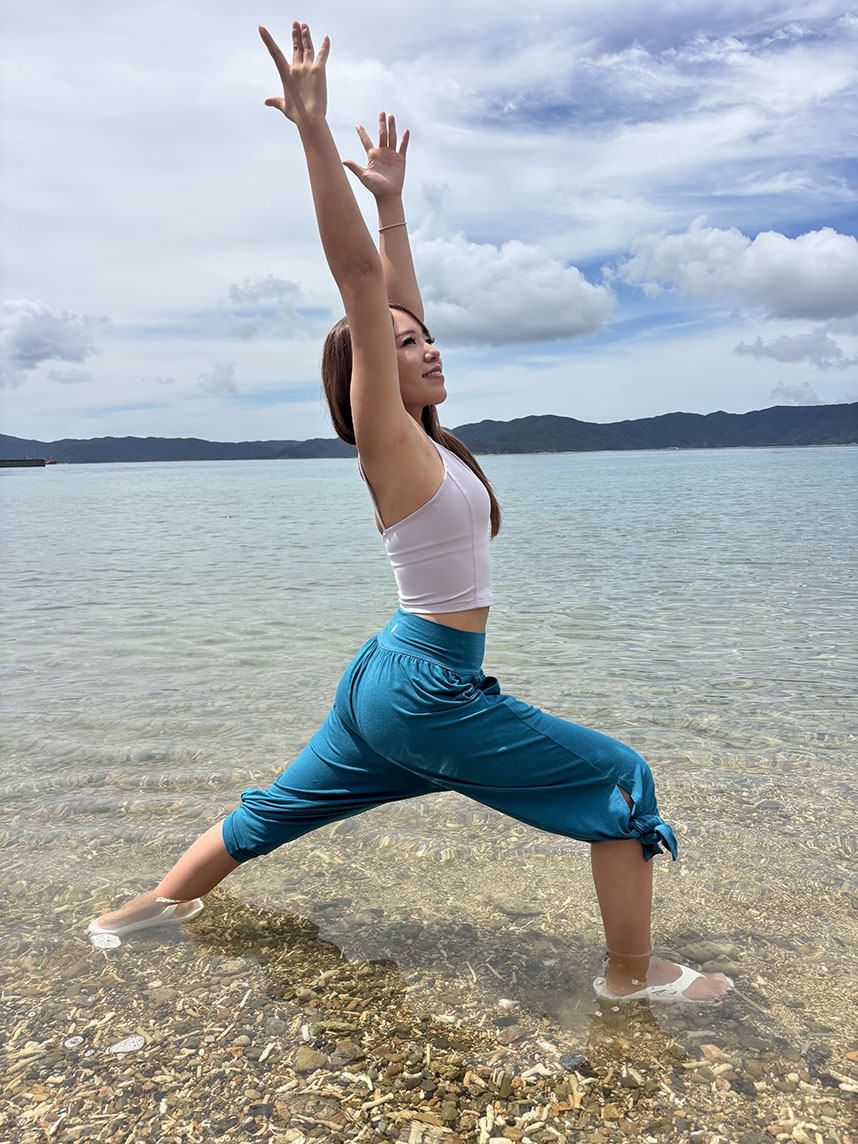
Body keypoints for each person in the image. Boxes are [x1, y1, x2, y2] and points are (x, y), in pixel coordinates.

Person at [89, 22, 733, 1005]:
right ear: (365, 384)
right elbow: (359, 290)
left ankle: (127, 919)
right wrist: (312, 133)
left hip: (387, 683)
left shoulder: (428, 438)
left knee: (264, 816)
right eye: (402, 345)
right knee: (623, 784)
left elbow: (388, 295)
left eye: (424, 336)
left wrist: (393, 209)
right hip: (427, 691)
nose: (425, 346)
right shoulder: (388, 444)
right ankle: (629, 983)